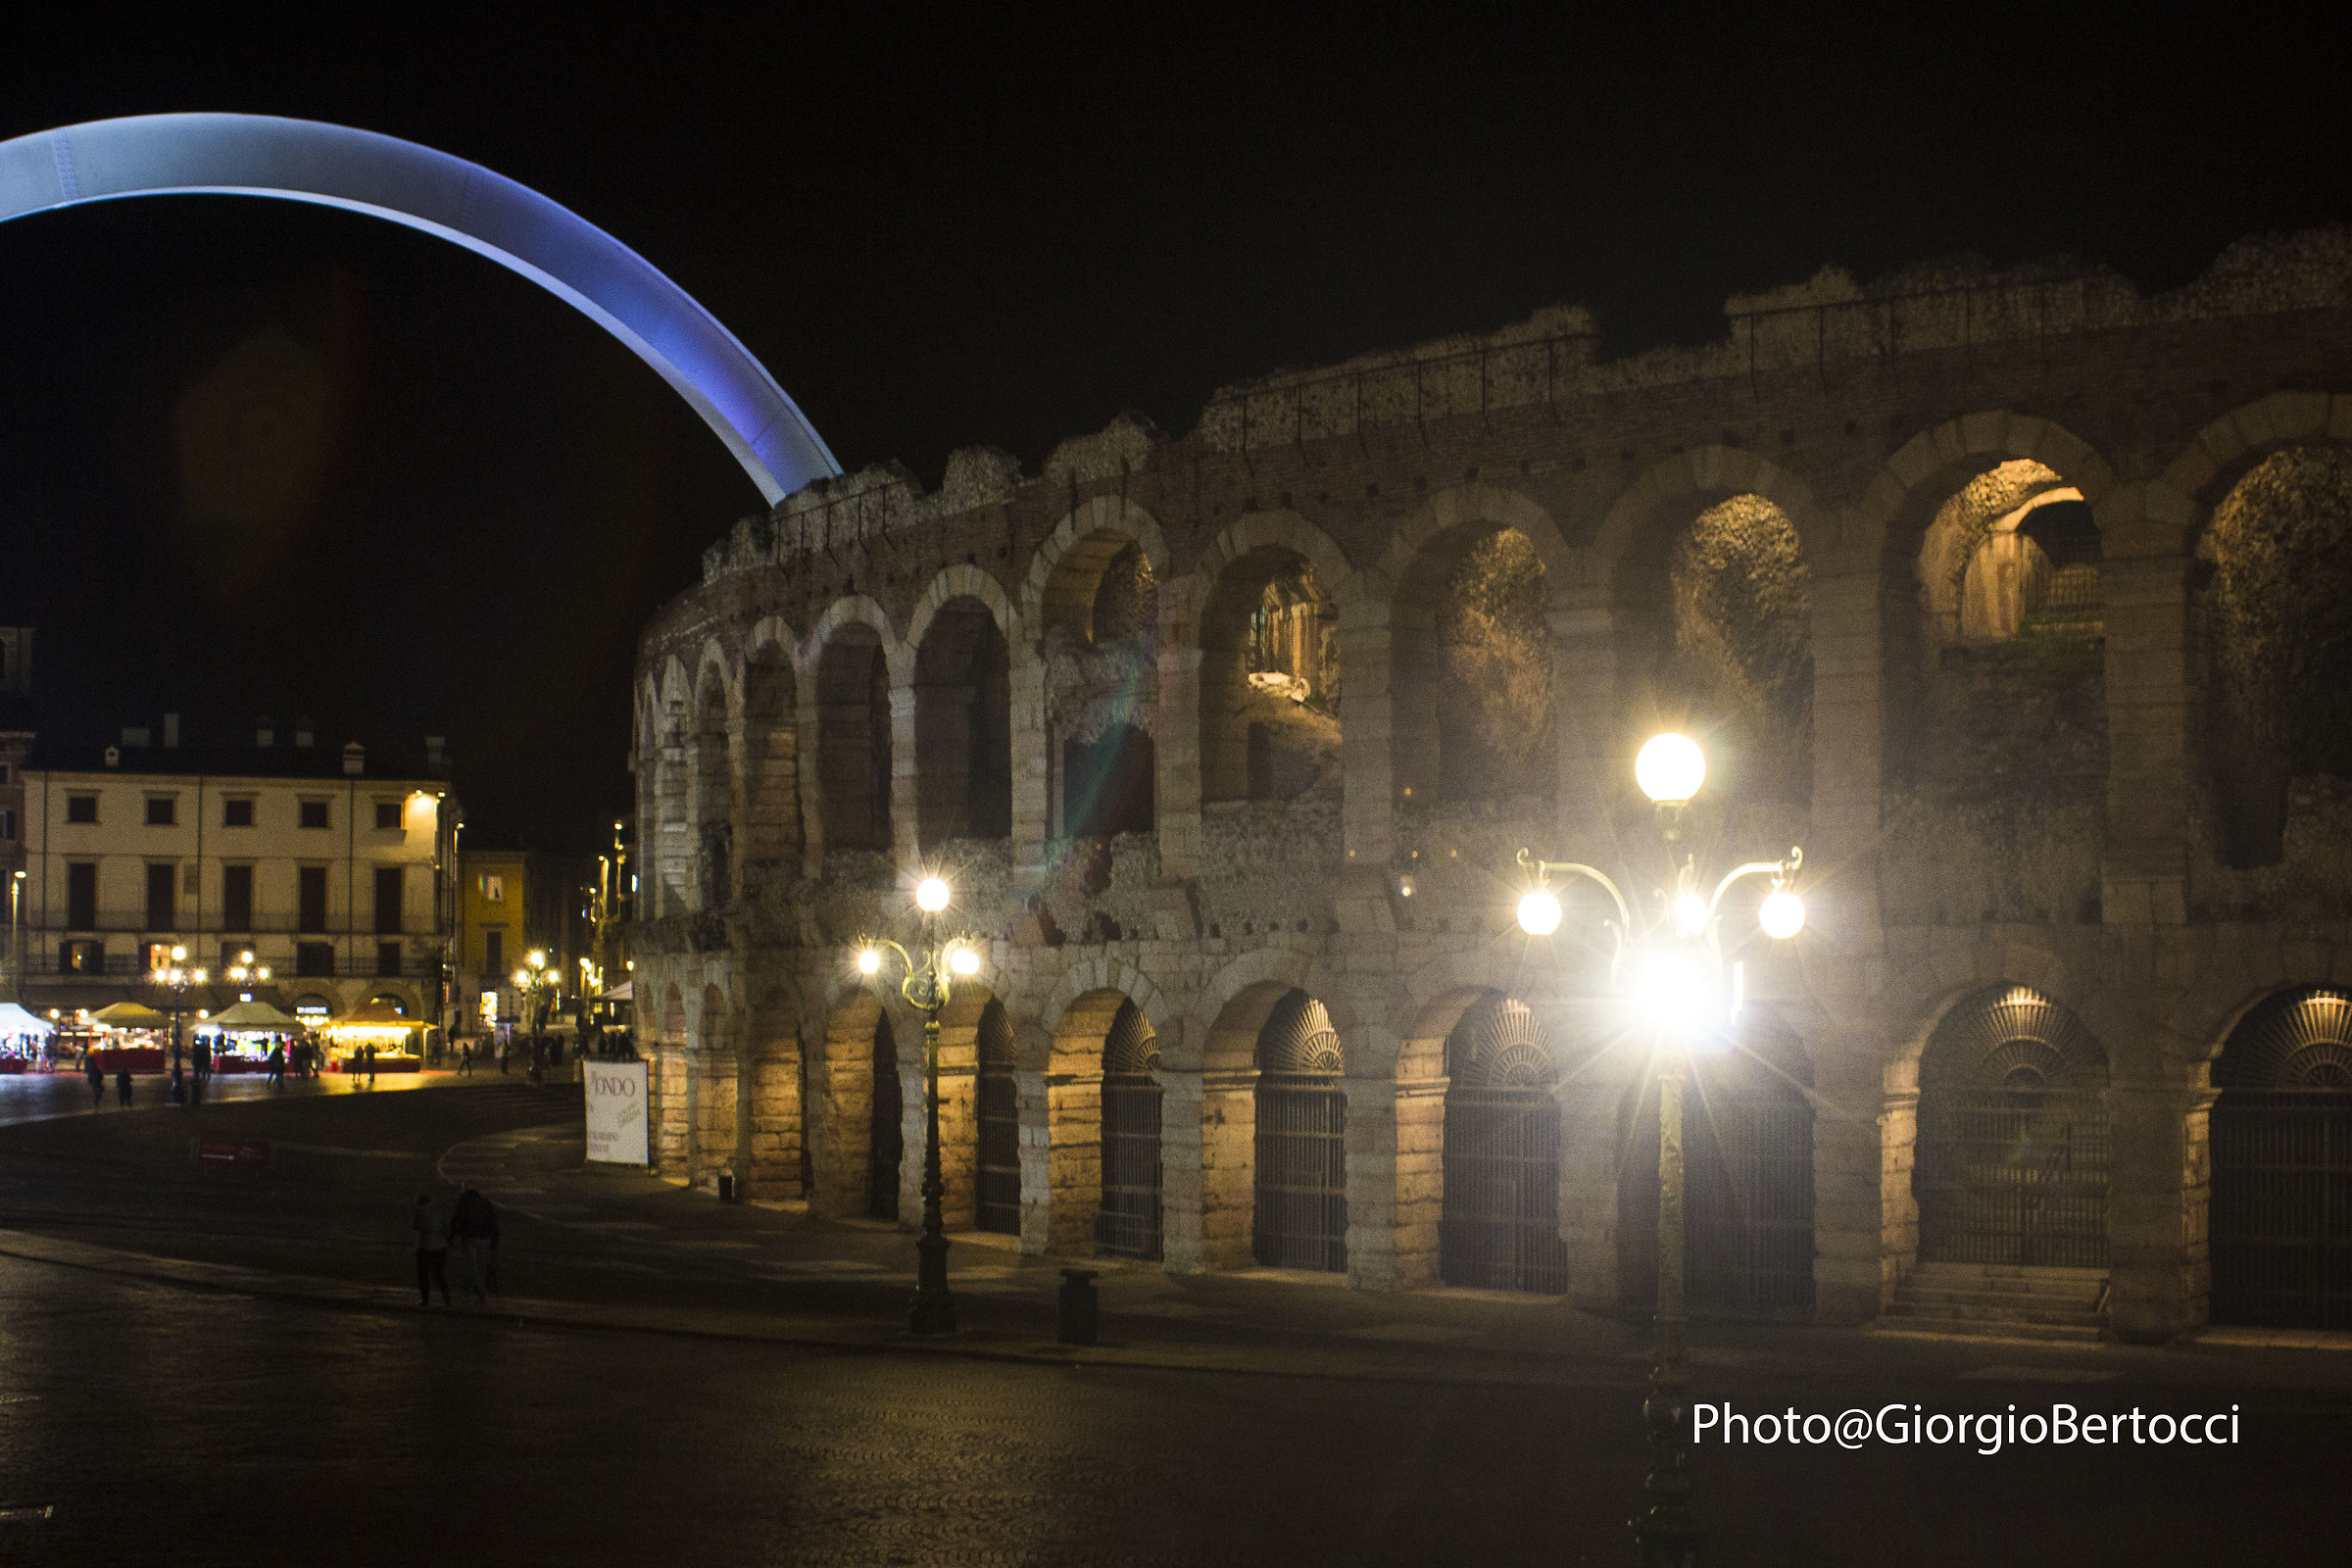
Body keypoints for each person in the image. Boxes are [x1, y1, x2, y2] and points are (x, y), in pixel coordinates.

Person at [450, 1184, 500, 1303]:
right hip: (484, 1238)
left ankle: (478, 1292)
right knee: (479, 1267)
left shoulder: (464, 1203)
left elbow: (458, 1220)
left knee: (471, 1266)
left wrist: (451, 1237)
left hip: (469, 1237)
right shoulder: (485, 1203)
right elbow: (493, 1221)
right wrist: (494, 1239)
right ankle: (469, 1292)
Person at [411, 1194, 452, 1308]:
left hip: (423, 1247)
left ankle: (425, 1299)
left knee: (423, 1275)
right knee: (439, 1274)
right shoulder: (438, 1212)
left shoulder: (419, 1213)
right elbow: (446, 1228)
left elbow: (413, 1225)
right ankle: (446, 1296)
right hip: (439, 1248)